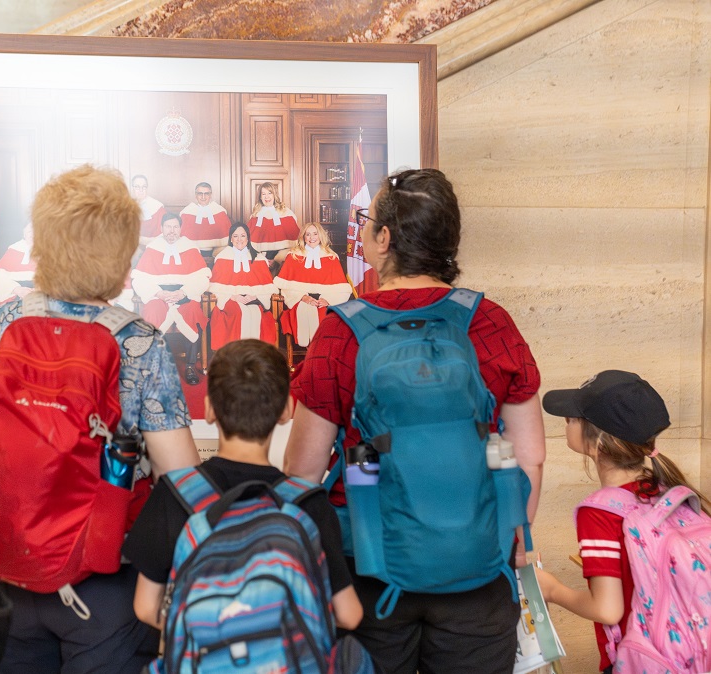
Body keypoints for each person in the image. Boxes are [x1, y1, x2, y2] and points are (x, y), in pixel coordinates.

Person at [283, 168, 546, 673]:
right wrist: (511, 540)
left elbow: (303, 472)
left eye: (368, 223)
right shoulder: (489, 323)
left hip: (370, 571)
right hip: (478, 567)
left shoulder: (341, 331)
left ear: (384, 239)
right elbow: (529, 454)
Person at [0, 165, 200, 674]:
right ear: (122, 253)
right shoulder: (138, 341)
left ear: (44, 242)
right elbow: (181, 477)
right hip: (102, 577)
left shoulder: (6, 321)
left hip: (8, 568)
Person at [124, 339, 363, 631]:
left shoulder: (175, 494)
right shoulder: (307, 502)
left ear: (209, 409)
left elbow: (146, 607)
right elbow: (349, 615)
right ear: (287, 410)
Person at [534, 370, 711, 674]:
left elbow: (607, 609)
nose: (566, 423)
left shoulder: (599, 513)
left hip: (640, 662)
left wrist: (551, 589)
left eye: (573, 418)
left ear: (600, 440)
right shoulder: (665, 490)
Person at [130, 212, 211, 385]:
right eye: (168, 227)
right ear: (161, 228)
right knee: (151, 312)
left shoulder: (190, 247)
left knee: (192, 312)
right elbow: (140, 278)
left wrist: (184, 292)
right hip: (159, 295)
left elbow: (202, 278)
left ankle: (190, 365)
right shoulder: (154, 247)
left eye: (175, 227)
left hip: (184, 294)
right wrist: (158, 293)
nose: (172, 231)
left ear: (180, 228)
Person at [274, 222, 353, 348]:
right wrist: (303, 297)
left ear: (320, 235)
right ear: (303, 237)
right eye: (308, 234)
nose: (312, 238)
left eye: (315, 234)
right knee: (304, 311)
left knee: (324, 313)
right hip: (300, 300)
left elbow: (341, 288)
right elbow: (286, 286)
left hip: (323, 300)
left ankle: (319, 353)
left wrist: (328, 300)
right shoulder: (294, 256)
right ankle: (311, 351)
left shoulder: (331, 257)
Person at [207, 222, 278, 350]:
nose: (239, 239)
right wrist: (233, 296)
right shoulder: (222, 257)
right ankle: (237, 356)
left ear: (248, 238)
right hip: (231, 299)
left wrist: (255, 295)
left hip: (254, 298)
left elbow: (267, 285)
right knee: (240, 314)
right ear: (231, 238)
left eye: (243, 236)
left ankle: (254, 357)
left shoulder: (259, 258)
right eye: (235, 236)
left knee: (256, 314)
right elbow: (215, 286)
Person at [247, 181, 300, 256]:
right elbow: (248, 237)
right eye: (263, 194)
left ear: (274, 195)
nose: (267, 197)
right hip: (261, 255)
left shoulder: (286, 212)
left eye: (269, 193)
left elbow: (294, 234)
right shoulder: (255, 215)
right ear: (260, 197)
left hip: (282, 255)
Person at [0, 221, 36, 304]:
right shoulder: (15, 249)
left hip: (43, 293)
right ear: (24, 234)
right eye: (29, 231)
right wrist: (17, 290)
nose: (32, 234)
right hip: (17, 294)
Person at [178, 181, 230, 251]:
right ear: (195, 195)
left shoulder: (219, 212)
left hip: (216, 252)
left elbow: (227, 238)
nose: (203, 197)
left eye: (206, 194)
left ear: (210, 195)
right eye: (200, 194)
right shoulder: (187, 213)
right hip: (193, 251)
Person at [132, 174, 166, 245]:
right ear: (132, 188)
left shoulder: (158, 207)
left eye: (144, 187)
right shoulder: (125, 206)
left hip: (153, 245)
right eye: (137, 187)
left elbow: (164, 233)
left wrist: (144, 241)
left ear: (147, 188)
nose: (141, 190)